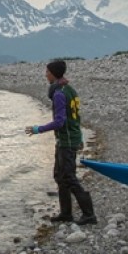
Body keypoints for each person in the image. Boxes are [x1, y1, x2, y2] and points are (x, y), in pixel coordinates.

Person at [25, 59, 97, 225]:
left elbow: (60, 121)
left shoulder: (59, 94)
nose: (45, 74)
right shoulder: (69, 89)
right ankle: (66, 213)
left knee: (69, 177)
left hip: (67, 141)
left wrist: (38, 129)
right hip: (69, 138)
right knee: (59, 176)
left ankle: (89, 214)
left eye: (47, 72)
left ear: (54, 74)